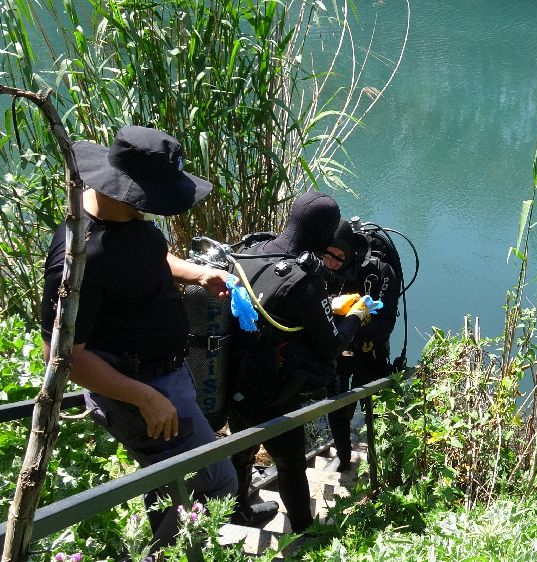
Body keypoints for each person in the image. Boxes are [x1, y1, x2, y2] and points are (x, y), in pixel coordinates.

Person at [39, 126, 238, 553]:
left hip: (167, 374)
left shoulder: (131, 221)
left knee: (166, 480)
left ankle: (177, 547)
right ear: (129, 189)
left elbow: (153, 256)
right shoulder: (79, 257)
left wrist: (198, 272)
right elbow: (64, 357)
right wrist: (143, 397)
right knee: (218, 483)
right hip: (139, 389)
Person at [226, 191, 372, 533]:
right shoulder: (303, 281)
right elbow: (332, 345)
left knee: (242, 447)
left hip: (236, 377)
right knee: (290, 462)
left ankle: (239, 508)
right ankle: (306, 533)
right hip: (273, 392)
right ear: (324, 237)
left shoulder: (249, 251)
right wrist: (356, 314)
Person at [324, 219, 400, 470]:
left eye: (338, 256)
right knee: (336, 405)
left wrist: (354, 321)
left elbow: (386, 322)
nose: (332, 261)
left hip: (370, 349)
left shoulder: (381, 271)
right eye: (327, 254)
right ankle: (343, 456)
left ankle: (378, 461)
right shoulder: (324, 269)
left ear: (350, 254)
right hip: (337, 348)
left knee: (372, 406)